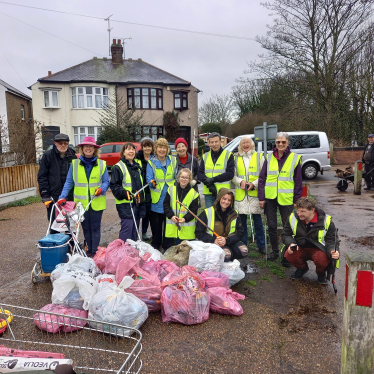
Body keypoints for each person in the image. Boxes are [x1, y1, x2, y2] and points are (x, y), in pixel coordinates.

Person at [59, 137, 109, 257]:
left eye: (90, 146)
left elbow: (106, 181)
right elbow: (69, 182)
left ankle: (95, 253)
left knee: (95, 228)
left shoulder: (102, 164)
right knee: (86, 228)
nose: (88, 148)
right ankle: (89, 251)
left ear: (95, 149)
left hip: (96, 202)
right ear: (82, 149)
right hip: (81, 204)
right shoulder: (75, 164)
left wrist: (101, 189)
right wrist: (62, 196)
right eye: (85, 146)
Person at [258, 132, 302, 261]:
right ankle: (275, 252)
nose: (280, 144)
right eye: (278, 142)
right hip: (270, 198)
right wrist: (261, 198)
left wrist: (296, 200)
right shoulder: (269, 157)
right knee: (271, 226)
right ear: (275, 143)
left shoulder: (294, 158)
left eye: (283, 142)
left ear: (287, 143)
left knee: (287, 227)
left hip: (286, 199)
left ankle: (286, 254)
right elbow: (262, 178)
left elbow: (298, 181)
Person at [281, 197, 340, 285]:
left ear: (312, 210)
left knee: (322, 260)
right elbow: (286, 234)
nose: (299, 214)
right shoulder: (293, 217)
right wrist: (291, 244)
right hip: (300, 246)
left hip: (318, 248)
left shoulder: (326, 221)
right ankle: (302, 269)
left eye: (303, 211)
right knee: (289, 254)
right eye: (298, 211)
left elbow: (332, 240)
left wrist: (332, 251)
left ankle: (321, 274)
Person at [232, 136, 266, 253]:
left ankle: (261, 245)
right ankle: (243, 244)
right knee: (241, 223)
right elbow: (232, 175)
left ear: (252, 145)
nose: (245, 145)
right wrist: (240, 182)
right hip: (241, 195)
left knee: (258, 221)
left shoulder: (259, 157)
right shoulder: (235, 158)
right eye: (243, 143)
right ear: (240, 146)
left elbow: (263, 175)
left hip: (255, 194)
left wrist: (253, 184)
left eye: (247, 143)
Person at [195, 188, 248, 262]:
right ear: (219, 198)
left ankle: (230, 257)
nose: (226, 202)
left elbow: (240, 233)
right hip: (213, 244)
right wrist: (214, 240)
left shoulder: (235, 214)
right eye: (224, 199)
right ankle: (226, 258)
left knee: (244, 251)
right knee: (226, 255)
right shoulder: (207, 212)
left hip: (230, 241)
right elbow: (199, 232)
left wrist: (226, 240)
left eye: (229, 200)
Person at [38, 134, 77, 232]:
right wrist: (45, 195)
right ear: (55, 143)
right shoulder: (48, 156)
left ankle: (70, 244)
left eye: (66, 143)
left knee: (71, 224)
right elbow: (42, 176)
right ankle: (56, 245)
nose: (63, 145)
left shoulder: (72, 156)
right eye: (60, 143)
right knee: (54, 224)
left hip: (70, 195)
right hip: (53, 196)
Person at [111, 143, 146, 243]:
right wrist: (123, 193)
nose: (131, 151)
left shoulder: (137, 167)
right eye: (128, 149)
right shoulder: (118, 167)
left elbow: (141, 184)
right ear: (123, 153)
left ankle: (132, 253)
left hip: (137, 203)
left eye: (133, 149)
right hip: (125, 204)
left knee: (134, 229)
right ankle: (122, 253)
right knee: (127, 229)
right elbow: (114, 185)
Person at [147, 138, 177, 252]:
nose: (162, 150)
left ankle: (168, 246)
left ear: (167, 149)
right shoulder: (151, 162)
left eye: (164, 147)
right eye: (159, 147)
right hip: (157, 199)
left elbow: (177, 176)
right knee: (156, 225)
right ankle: (156, 245)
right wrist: (152, 183)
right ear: (156, 149)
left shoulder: (173, 160)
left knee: (169, 223)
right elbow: (149, 178)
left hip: (170, 197)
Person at [163, 168, 200, 248]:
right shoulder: (171, 189)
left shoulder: (194, 194)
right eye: (182, 177)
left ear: (190, 179)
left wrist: (185, 219)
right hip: (173, 228)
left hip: (186, 230)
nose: (184, 179)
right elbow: (166, 205)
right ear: (178, 177)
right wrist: (171, 216)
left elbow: (193, 211)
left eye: (186, 178)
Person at [197, 132, 235, 208]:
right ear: (209, 143)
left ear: (220, 141)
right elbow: (200, 174)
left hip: (224, 193)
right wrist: (209, 184)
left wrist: (213, 180)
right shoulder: (205, 156)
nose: (214, 144)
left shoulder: (228, 155)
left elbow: (230, 174)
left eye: (216, 141)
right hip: (209, 193)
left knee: (223, 218)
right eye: (212, 142)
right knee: (210, 217)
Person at [136, 137, 154, 240]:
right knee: (139, 212)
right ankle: (136, 233)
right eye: (145, 146)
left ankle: (144, 232)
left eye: (149, 146)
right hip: (140, 188)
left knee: (148, 213)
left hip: (151, 189)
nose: (147, 148)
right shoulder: (137, 158)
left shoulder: (154, 158)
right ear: (142, 147)